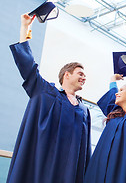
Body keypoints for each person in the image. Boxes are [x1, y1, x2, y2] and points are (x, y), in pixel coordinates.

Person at [7, 14, 91, 183]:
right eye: (80, 74)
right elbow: (28, 66)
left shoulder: (84, 110)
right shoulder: (46, 93)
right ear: (67, 75)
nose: (84, 78)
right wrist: (25, 27)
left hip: (69, 174)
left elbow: (85, 150)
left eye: (85, 75)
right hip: (41, 168)